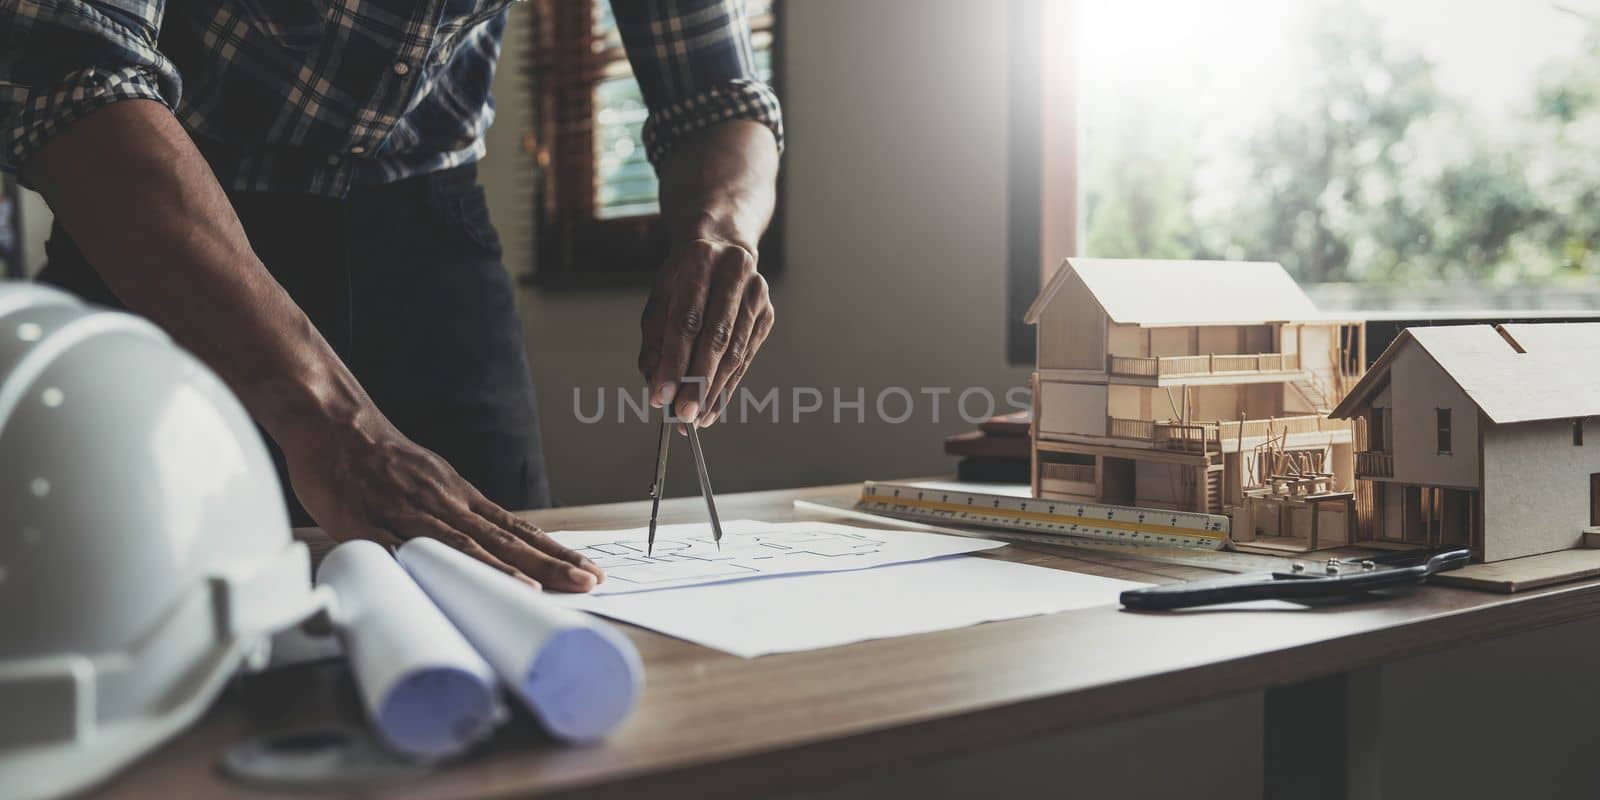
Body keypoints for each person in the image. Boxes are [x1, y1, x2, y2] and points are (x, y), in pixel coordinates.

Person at [0, 0, 781, 593]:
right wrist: (333, 423)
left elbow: (715, 95)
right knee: (129, 599)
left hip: (432, 235)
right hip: (162, 224)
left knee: (510, 604)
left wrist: (722, 231)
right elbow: (74, 70)